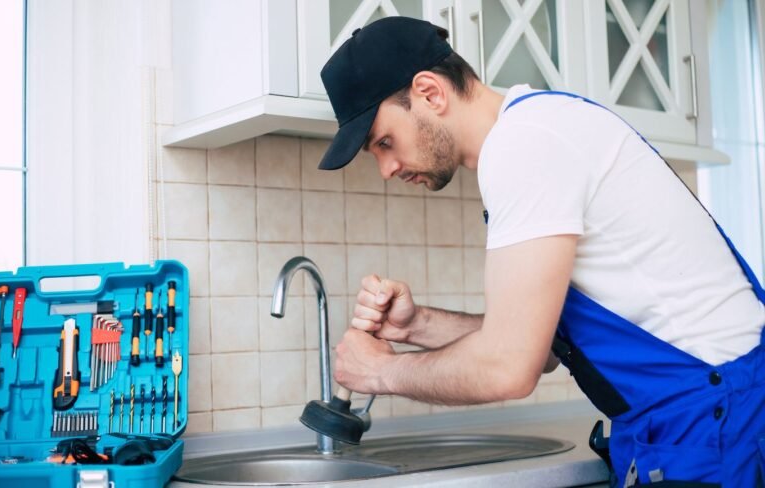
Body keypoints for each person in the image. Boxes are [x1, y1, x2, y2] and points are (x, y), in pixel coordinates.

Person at [317, 16, 765, 487]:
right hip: (702, 417)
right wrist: (417, 325)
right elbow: (546, 347)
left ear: (430, 93)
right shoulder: (535, 128)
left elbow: (510, 367)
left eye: (384, 142)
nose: (386, 169)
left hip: (714, 422)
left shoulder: (523, 146)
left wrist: (381, 372)